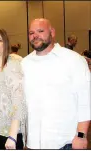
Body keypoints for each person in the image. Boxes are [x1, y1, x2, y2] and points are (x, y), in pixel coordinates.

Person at [21, 18, 91, 149]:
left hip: (66, 142)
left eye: (40, 31)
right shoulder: (24, 64)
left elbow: (85, 100)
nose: (35, 35)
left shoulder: (73, 60)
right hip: (33, 143)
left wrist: (82, 135)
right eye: (31, 33)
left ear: (52, 32)